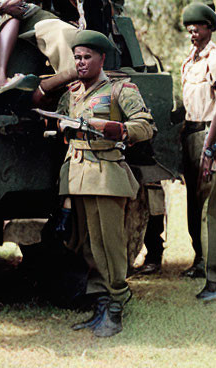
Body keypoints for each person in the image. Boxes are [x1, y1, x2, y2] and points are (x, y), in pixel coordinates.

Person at [57, 30, 155, 337]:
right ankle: (101, 303)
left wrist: (113, 128)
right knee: (89, 245)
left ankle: (116, 305)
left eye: (87, 57)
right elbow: (58, 117)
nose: (82, 63)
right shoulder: (72, 92)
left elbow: (144, 125)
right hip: (78, 175)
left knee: (110, 245)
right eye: (77, 58)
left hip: (107, 176)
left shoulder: (119, 89)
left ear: (101, 58)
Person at [179, 2, 216, 300]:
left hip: (209, 135)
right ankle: (202, 262)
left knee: (214, 209)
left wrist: (210, 149)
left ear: (210, 28)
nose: (193, 29)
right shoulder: (190, 62)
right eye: (189, 25)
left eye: (199, 25)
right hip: (191, 133)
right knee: (194, 205)